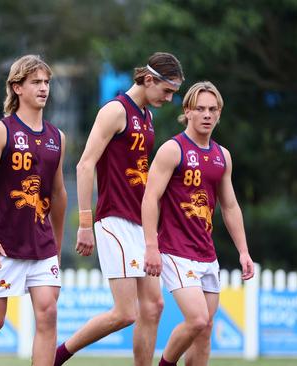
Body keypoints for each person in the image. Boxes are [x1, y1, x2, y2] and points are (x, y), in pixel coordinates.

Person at [54, 52, 184, 366]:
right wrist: (85, 223)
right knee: (126, 313)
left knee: (154, 308)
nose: (169, 99)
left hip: (141, 223)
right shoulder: (115, 111)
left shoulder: (147, 116)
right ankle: (57, 357)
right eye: (167, 91)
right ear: (149, 79)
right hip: (114, 220)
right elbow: (85, 165)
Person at [0, 54, 67, 366]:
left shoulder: (57, 137)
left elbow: (58, 195)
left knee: (48, 312)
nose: (44, 88)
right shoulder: (1, 131)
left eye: (46, 82)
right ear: (17, 87)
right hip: (3, 243)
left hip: (42, 244)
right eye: (36, 82)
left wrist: (56, 245)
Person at [141, 81, 254, 366]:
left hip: (207, 255)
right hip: (175, 252)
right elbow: (150, 198)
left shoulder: (222, 156)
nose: (207, 114)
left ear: (219, 114)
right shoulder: (172, 150)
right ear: (187, 112)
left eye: (212, 109)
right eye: (200, 109)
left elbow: (229, 206)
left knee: (205, 331)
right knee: (197, 318)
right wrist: (151, 246)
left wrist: (243, 251)